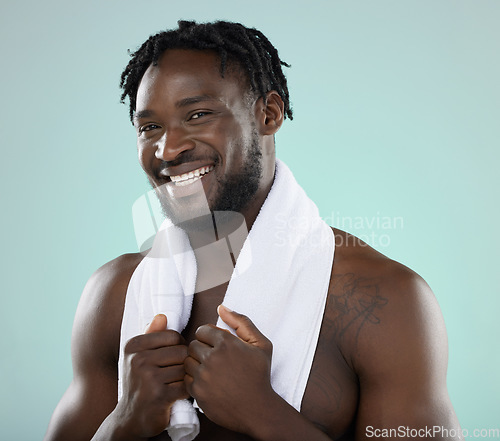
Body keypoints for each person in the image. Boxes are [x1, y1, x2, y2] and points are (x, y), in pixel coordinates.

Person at [44, 20, 462, 441]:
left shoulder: (385, 299)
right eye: (150, 127)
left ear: (269, 114)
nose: (168, 149)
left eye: (198, 114)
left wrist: (264, 413)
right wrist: (123, 421)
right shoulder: (115, 293)